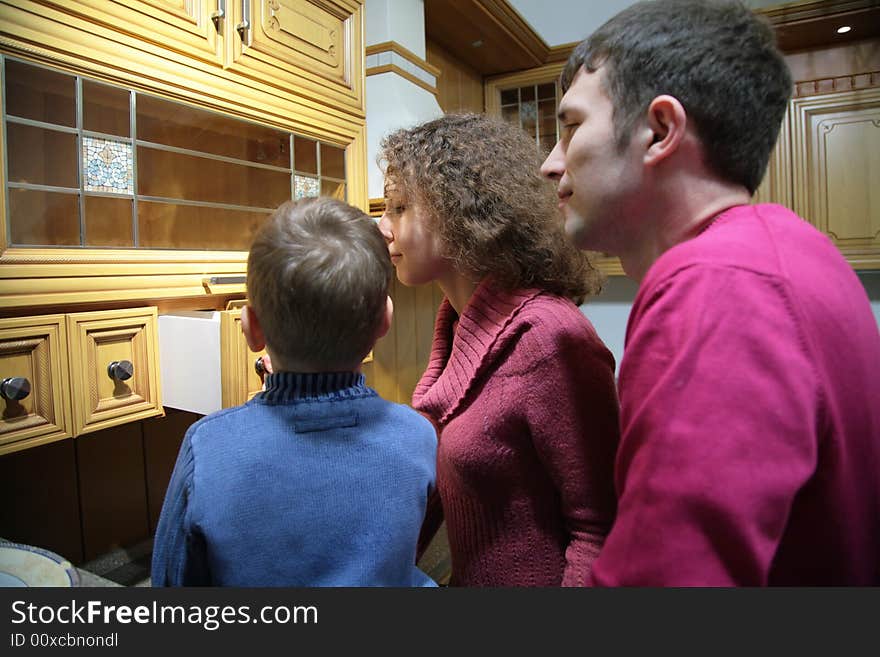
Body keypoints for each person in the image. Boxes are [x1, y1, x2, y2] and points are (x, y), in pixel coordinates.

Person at [541, 0, 880, 585]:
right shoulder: (792, 249)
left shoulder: (715, 287)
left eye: (571, 127)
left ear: (659, 131)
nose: (551, 164)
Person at [378, 113, 620, 586]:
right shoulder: (455, 321)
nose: (383, 226)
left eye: (399, 207)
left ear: (460, 212)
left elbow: (601, 530)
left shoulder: (549, 338)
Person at [151, 197, 437, 586]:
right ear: (385, 321)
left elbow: (171, 583)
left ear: (251, 328)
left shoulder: (209, 448)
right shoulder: (416, 435)